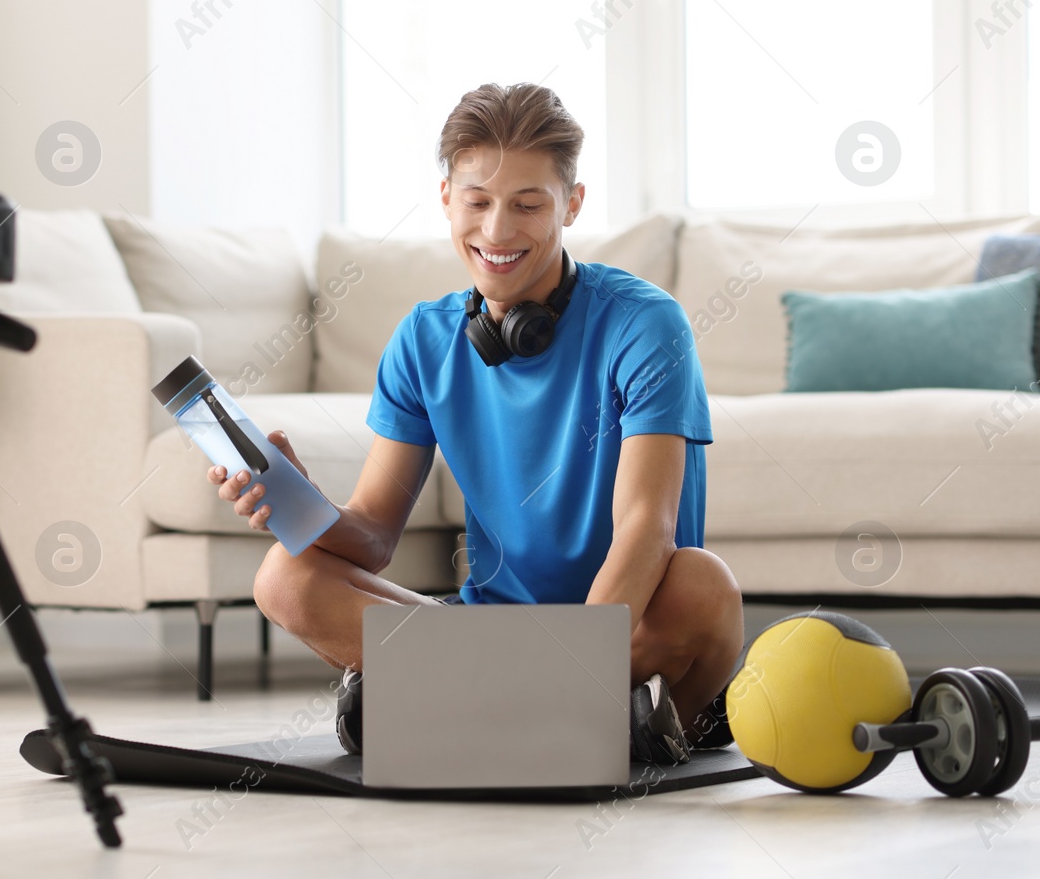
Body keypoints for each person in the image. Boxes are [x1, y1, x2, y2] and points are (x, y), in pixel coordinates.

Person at [208, 82, 743, 764]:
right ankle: (568, 718)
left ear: (571, 204)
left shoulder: (645, 324)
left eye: (527, 204)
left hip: (626, 627)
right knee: (284, 576)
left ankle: (464, 704)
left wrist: (575, 661)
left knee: (706, 587)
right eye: (478, 202)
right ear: (445, 201)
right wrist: (301, 504)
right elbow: (371, 536)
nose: (496, 231)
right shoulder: (423, 341)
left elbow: (648, 527)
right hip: (491, 633)